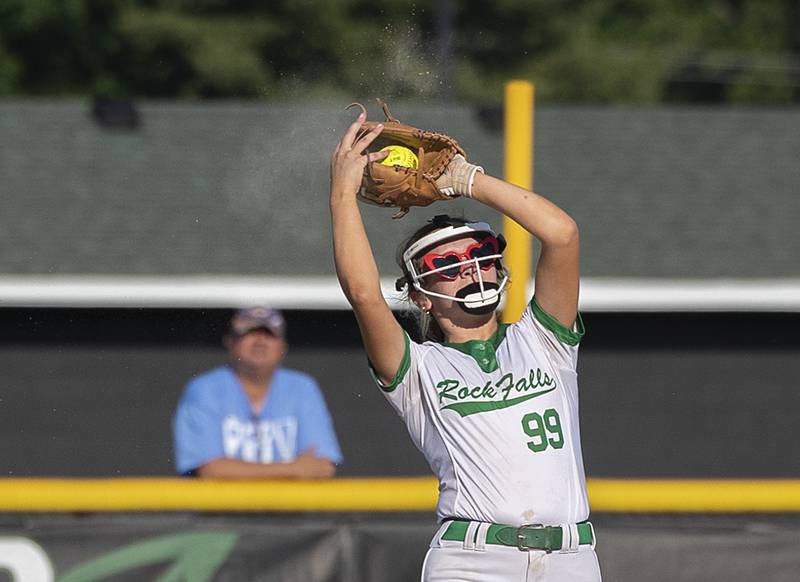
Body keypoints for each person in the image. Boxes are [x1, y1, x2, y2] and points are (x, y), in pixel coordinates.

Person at [329, 110, 601, 581]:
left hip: (571, 558)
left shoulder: (543, 340)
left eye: (480, 254)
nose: (472, 269)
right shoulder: (416, 368)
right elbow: (363, 292)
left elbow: (562, 235)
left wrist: (465, 179)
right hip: (473, 560)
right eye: (448, 264)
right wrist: (341, 196)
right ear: (419, 296)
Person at [172, 306, 342, 479]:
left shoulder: (303, 387)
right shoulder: (205, 388)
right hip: (224, 506)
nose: (260, 340)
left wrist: (238, 472)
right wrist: (294, 469)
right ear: (230, 342)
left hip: (288, 506)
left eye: (269, 334)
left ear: (283, 346)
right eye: (250, 332)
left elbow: (322, 467)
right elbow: (211, 471)